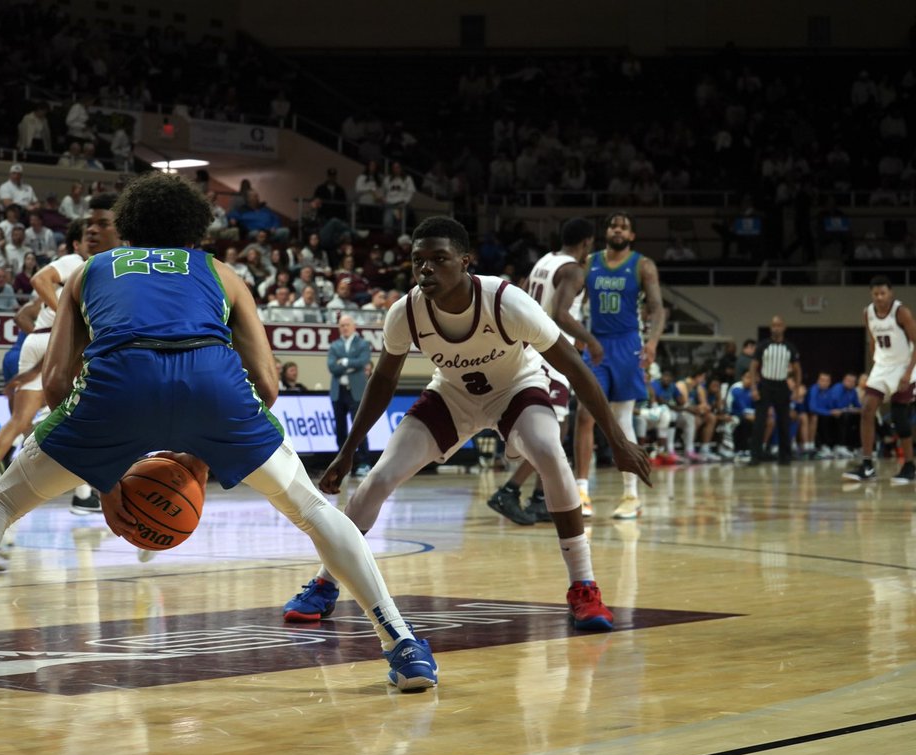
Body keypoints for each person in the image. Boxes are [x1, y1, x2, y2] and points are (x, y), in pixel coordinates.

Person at [0, 171, 437, 696]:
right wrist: (204, 456)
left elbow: (58, 380)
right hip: (213, 385)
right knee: (311, 509)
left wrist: (102, 468)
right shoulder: (222, 272)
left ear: (128, 225)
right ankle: (402, 644)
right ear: (196, 229)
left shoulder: (91, 270)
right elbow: (267, 384)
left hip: (119, 385)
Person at [280, 216, 651, 633]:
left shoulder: (506, 302)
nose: (426, 269)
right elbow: (383, 381)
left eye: (439, 259)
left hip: (515, 389)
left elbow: (576, 368)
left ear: (464, 262)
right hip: (452, 396)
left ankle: (584, 586)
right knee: (378, 478)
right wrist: (348, 450)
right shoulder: (406, 312)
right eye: (418, 260)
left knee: (550, 453)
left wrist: (617, 440)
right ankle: (325, 582)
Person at [0, 215, 111, 514]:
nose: (94, 240)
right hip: (58, 340)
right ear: (76, 244)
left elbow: (25, 312)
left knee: (23, 420)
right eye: (87, 237)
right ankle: (83, 493)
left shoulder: (71, 282)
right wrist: (68, 318)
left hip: (38, 339)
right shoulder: (75, 263)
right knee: (79, 417)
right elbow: (38, 279)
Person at [488, 218, 601, 525]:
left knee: (555, 428)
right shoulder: (572, 270)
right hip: (552, 355)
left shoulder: (545, 261)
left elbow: (520, 297)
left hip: (533, 350)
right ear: (587, 242)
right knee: (554, 431)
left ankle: (540, 499)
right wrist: (591, 341)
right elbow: (561, 315)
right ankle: (509, 491)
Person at [573, 211, 665, 519]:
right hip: (596, 344)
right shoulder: (590, 262)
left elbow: (657, 308)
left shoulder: (642, 265)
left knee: (623, 419)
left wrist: (652, 342)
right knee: (585, 414)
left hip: (627, 345)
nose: (618, 230)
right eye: (613, 225)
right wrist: (578, 333)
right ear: (607, 231)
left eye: (624, 227)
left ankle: (631, 495)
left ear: (632, 235)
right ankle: (581, 491)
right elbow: (575, 300)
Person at [843, 276, 916, 483]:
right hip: (883, 367)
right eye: (875, 294)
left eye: (883, 293)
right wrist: (876, 364)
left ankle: (909, 466)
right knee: (867, 409)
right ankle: (867, 466)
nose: (879, 297)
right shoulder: (867, 313)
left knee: (899, 417)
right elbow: (873, 340)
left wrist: (908, 373)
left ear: (890, 293)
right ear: (871, 294)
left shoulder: (901, 312)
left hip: (904, 365)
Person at [747, 316, 802, 466]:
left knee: (784, 421)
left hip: (782, 385)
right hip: (765, 384)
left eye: (779, 325)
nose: (776, 328)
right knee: (760, 422)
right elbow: (753, 366)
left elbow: (797, 369)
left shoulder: (790, 347)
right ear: (770, 328)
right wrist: (754, 387)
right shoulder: (763, 345)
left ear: (784, 327)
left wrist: (797, 389)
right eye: (773, 325)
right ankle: (755, 456)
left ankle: (785, 457)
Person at [328, 314, 372, 476]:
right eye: (342, 325)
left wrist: (344, 362)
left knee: (358, 427)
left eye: (347, 324)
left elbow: (363, 362)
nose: (344, 328)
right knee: (340, 429)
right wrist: (352, 365)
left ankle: (364, 462)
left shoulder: (362, 344)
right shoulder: (335, 345)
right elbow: (332, 367)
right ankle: (342, 464)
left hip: (356, 391)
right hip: (339, 391)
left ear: (354, 326)